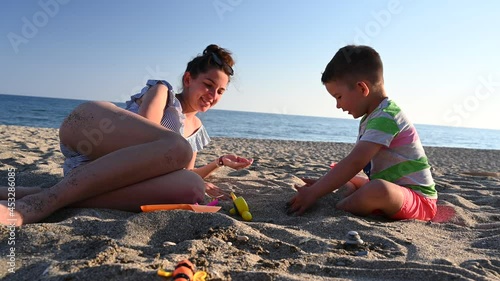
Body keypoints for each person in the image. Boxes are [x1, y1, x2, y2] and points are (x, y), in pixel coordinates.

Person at [0, 44, 253, 226]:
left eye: (220, 91)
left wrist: (218, 163)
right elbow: (146, 139)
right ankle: (40, 202)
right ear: (188, 79)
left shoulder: (196, 128)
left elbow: (181, 171)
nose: (213, 95)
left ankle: (42, 193)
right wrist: (178, 157)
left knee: (192, 188)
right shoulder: (162, 92)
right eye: (208, 85)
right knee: (177, 149)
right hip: (90, 129)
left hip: (94, 175)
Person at [287, 45, 437, 221]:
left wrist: (315, 192)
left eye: (339, 97)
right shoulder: (371, 117)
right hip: (395, 190)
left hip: (419, 201)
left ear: (361, 88)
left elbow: (355, 161)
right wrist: (322, 185)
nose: (338, 105)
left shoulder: (386, 117)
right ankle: (351, 194)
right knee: (344, 175)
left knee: (377, 189)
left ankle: (340, 206)